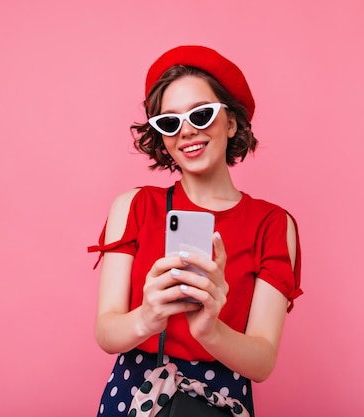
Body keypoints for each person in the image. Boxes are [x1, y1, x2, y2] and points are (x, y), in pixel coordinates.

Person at [88, 45, 303, 416]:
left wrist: (210, 330)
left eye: (201, 115)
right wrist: (147, 316)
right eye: (170, 122)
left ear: (231, 122)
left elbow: (262, 361)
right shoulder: (133, 207)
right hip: (134, 396)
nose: (187, 131)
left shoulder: (273, 224)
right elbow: (107, 333)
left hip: (221, 401)